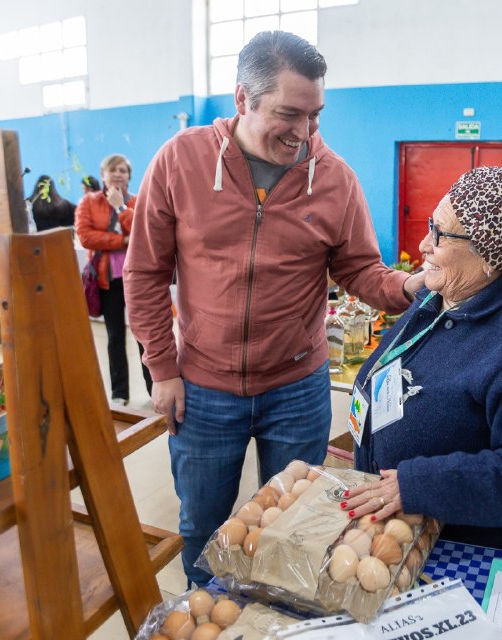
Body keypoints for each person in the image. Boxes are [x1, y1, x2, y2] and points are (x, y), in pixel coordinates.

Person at [124, 31, 424, 587]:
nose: (305, 132)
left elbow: (360, 269)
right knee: (204, 526)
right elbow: (143, 274)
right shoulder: (181, 162)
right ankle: (202, 612)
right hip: (203, 389)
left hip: (296, 390)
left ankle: (278, 618)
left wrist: (411, 286)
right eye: (289, 114)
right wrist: (161, 368)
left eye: (315, 116)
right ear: (242, 99)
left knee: (296, 527)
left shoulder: (335, 179)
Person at [344, 167, 502, 557]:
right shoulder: (438, 300)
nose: (422, 244)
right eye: (429, 226)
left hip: (474, 553)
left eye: (439, 234)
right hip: (406, 530)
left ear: (488, 254)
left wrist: (418, 485)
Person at [75, 154, 153, 404]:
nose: (118, 174)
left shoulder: (136, 201)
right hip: (107, 281)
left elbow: (143, 232)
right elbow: (86, 237)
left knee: (145, 334)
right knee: (115, 336)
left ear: (129, 176)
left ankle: (154, 388)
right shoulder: (88, 203)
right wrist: (122, 241)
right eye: (112, 170)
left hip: (137, 279)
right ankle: (120, 393)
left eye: (123, 170)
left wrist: (121, 208)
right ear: (103, 175)